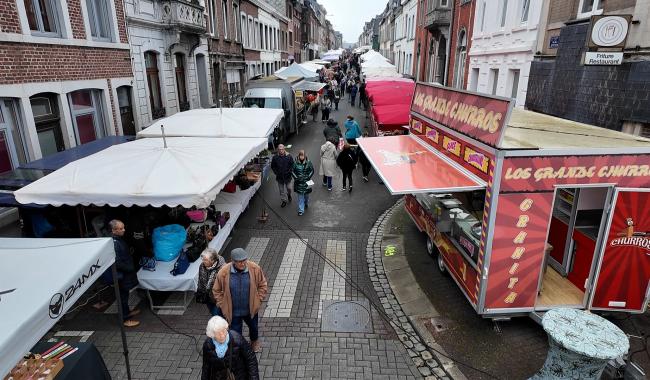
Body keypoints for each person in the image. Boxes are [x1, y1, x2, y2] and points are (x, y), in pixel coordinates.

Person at [213, 248, 268, 353]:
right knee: (236, 333)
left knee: (254, 328)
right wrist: (222, 304)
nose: (243, 263)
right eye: (239, 261)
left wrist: (258, 299)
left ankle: (254, 342)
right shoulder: (223, 272)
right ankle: (241, 348)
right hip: (233, 312)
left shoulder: (255, 268)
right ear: (233, 261)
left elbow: (263, 285)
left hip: (250, 309)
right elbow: (216, 290)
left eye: (244, 260)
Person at [201, 315, 259, 380]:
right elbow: (206, 367)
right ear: (212, 334)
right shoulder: (208, 345)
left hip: (239, 376)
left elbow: (251, 360)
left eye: (223, 331)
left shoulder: (237, 339)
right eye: (218, 333)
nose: (222, 335)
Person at [110, 219, 141, 327]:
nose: (124, 230)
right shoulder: (114, 243)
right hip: (121, 276)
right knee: (122, 297)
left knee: (125, 295)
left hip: (125, 274)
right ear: (114, 230)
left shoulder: (119, 240)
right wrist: (130, 267)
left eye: (123, 227)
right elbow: (117, 262)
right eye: (121, 228)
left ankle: (127, 312)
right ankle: (125, 319)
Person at [196, 248, 226, 316]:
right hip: (207, 297)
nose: (203, 261)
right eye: (203, 259)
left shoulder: (223, 269)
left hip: (218, 299)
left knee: (216, 314)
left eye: (205, 260)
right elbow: (201, 279)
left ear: (212, 260)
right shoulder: (202, 266)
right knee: (212, 312)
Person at [292, 150, 314, 216]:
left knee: (306, 196)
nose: (301, 157)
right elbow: (292, 171)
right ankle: (301, 210)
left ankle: (306, 203)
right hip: (299, 183)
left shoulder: (309, 162)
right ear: (299, 156)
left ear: (305, 155)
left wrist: (308, 177)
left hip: (307, 182)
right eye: (300, 155)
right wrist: (296, 178)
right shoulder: (295, 163)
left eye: (303, 155)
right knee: (300, 197)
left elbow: (312, 170)